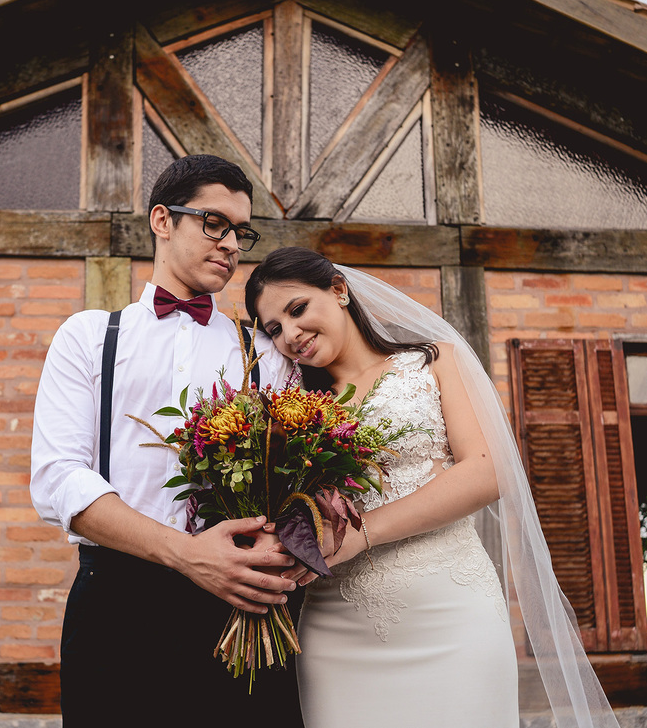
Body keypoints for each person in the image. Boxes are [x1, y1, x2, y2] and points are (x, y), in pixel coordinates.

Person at [245, 246, 621, 728]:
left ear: (339, 290)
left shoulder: (432, 361)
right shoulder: (291, 406)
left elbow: (488, 472)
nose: (290, 335)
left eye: (297, 310)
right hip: (337, 628)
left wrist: (361, 533)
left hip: (451, 613)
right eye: (274, 328)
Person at [30, 155, 302, 725]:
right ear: (161, 220)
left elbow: (295, 477)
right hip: (115, 604)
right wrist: (188, 555)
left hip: (239, 610)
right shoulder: (88, 337)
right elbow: (60, 479)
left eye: (241, 232)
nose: (231, 244)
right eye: (213, 223)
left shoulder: (265, 354)